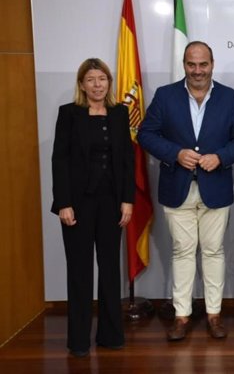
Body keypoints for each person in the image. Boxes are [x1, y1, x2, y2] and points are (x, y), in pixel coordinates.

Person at [138, 41, 234, 341]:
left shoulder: (229, 97)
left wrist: (221, 156)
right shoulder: (165, 95)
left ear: (212, 63)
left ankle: (214, 315)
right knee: (182, 252)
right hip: (177, 188)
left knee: (214, 251)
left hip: (216, 188)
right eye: (191, 64)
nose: (198, 71)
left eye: (203, 64)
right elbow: (146, 133)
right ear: (184, 64)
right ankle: (182, 316)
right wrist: (175, 153)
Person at [51, 58, 135, 357]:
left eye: (103, 79)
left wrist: (128, 200)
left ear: (109, 83)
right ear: (82, 84)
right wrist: (63, 203)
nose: (98, 85)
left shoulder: (119, 113)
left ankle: (111, 336)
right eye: (91, 79)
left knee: (110, 270)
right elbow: (59, 160)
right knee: (80, 271)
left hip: (112, 204)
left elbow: (126, 160)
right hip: (77, 204)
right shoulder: (69, 114)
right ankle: (78, 341)